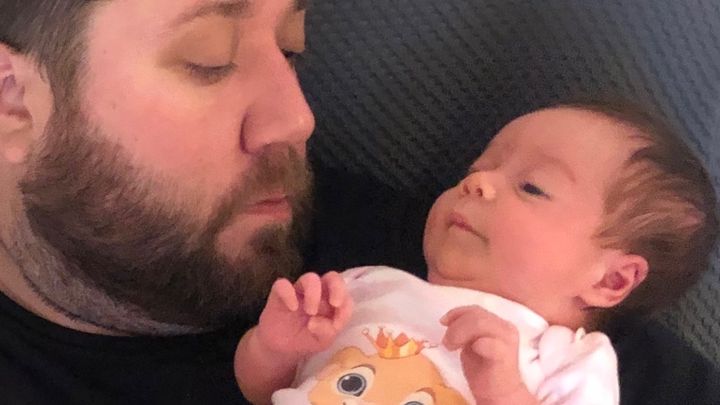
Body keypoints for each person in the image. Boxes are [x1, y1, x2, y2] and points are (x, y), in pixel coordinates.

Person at [234, 102, 719, 404]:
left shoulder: (569, 362)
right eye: (475, 169)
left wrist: (504, 393)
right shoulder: (365, 286)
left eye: (532, 187)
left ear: (610, 280)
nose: (478, 182)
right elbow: (264, 390)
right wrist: (275, 347)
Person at [0, 0, 314, 403]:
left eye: (289, 48)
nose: (297, 120)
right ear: (12, 98)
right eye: (210, 62)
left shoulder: (385, 263)